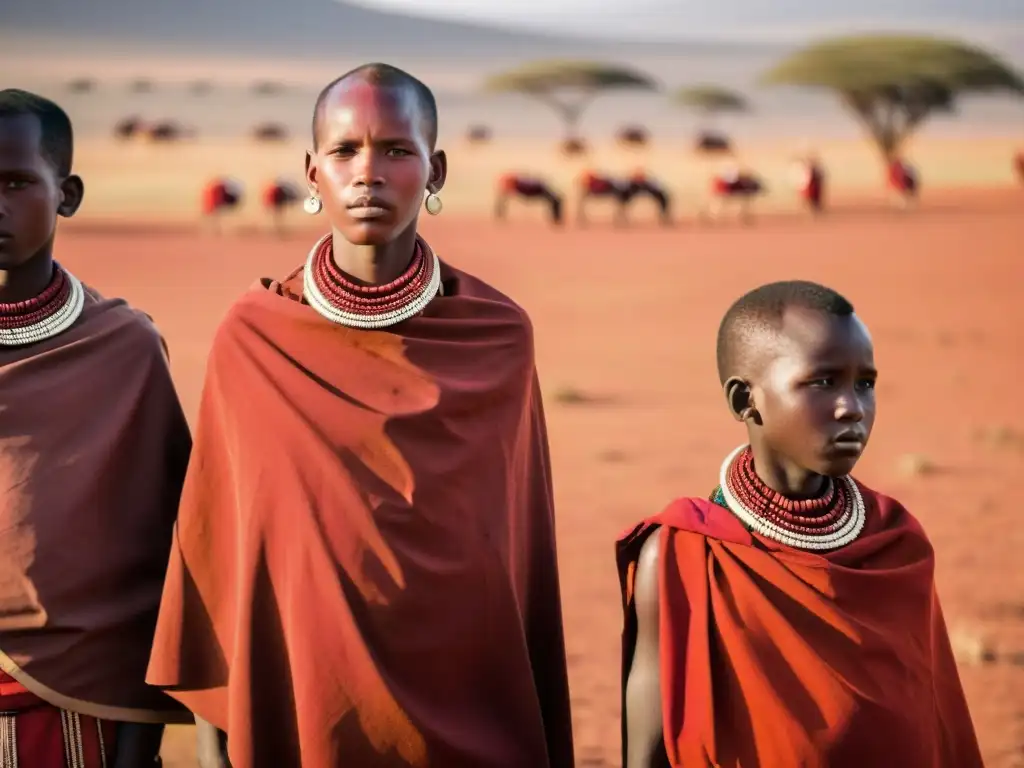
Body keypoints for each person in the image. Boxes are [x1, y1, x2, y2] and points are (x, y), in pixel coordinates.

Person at [146, 63, 575, 768]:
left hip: (466, 693)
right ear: (311, 173)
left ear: (435, 171)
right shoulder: (255, 337)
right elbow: (221, 547)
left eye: (397, 152)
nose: (368, 173)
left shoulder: (497, 336)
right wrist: (219, 738)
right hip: (307, 696)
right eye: (345, 152)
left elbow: (513, 551)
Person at [617, 280, 982, 768]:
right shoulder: (682, 557)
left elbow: (936, 723)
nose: (852, 407)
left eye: (865, 383)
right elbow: (647, 751)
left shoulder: (896, 541)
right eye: (823, 382)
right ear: (745, 400)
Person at [0, 89, 192, 766]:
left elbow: (168, 554)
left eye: (16, 182)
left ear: (67, 193)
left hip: (78, 710)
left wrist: (140, 737)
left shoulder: (124, 349)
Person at [494, 172, 563, 225]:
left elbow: (541, 186)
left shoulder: (524, 184)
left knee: (556, 200)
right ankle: (500, 216)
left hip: (540, 191)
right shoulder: (519, 185)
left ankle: (556, 219)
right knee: (502, 199)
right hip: (535, 192)